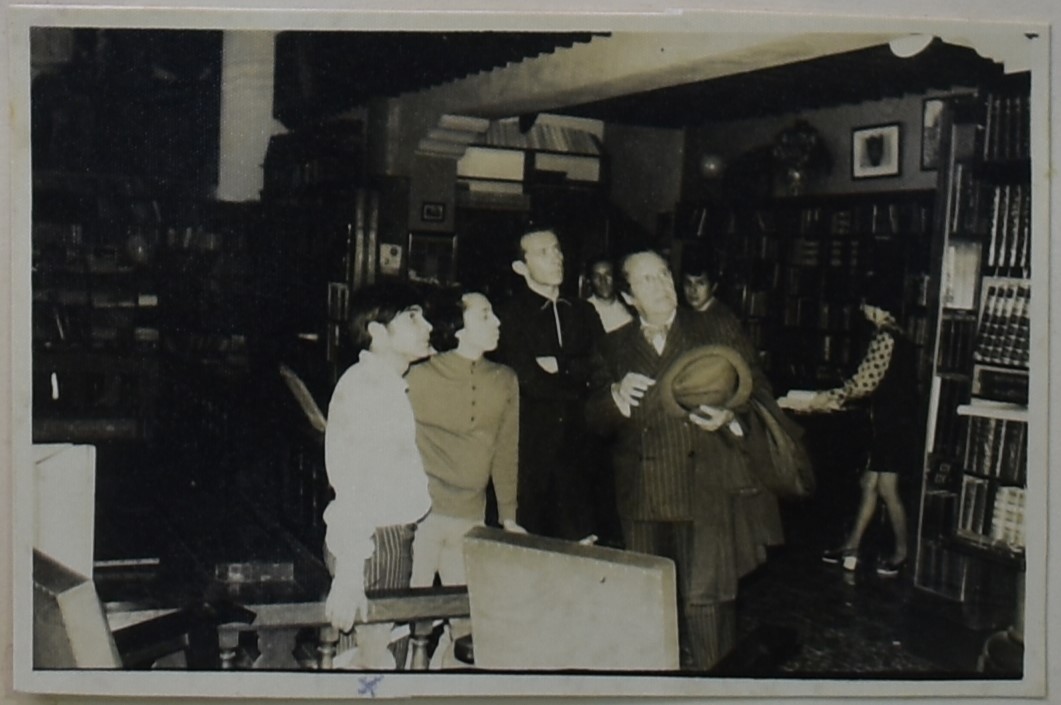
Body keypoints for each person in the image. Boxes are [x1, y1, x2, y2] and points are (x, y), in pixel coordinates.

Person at [586, 249, 784, 671]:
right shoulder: (613, 345)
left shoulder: (714, 328)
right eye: (647, 279)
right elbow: (593, 420)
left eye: (664, 274)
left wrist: (731, 415)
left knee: (706, 605)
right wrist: (616, 398)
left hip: (704, 489)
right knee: (645, 609)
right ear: (628, 296)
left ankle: (715, 690)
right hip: (642, 497)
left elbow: (758, 388)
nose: (662, 285)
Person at [406, 289, 524, 664]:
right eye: (485, 315)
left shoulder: (505, 379)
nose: (498, 321)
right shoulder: (417, 375)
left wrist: (508, 517)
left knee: (467, 626)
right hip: (420, 518)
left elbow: (506, 450)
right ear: (457, 327)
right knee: (409, 620)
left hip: (471, 519)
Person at [322, 281, 434, 669]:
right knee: (371, 672)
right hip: (375, 546)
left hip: (379, 543)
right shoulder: (370, 391)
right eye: (412, 317)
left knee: (368, 666)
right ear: (377, 332)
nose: (427, 326)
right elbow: (354, 488)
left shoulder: (378, 383)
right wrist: (351, 574)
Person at [494, 225, 605, 540]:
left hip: (582, 448)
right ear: (521, 267)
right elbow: (527, 380)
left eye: (557, 249)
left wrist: (561, 365)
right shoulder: (509, 315)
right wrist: (577, 374)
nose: (557, 258)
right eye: (543, 253)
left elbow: (601, 368)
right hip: (532, 451)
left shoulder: (584, 311)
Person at [809, 287, 918, 577]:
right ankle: (851, 546)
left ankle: (902, 553)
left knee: (887, 488)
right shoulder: (902, 336)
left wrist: (831, 396)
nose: (863, 310)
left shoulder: (885, 337)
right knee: (869, 483)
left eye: (866, 305)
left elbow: (866, 381)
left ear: (877, 307)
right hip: (895, 423)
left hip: (891, 426)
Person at [585, 256, 634, 333]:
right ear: (590, 280)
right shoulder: (585, 310)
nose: (603, 281)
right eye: (597, 276)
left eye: (607, 274)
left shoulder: (631, 302)